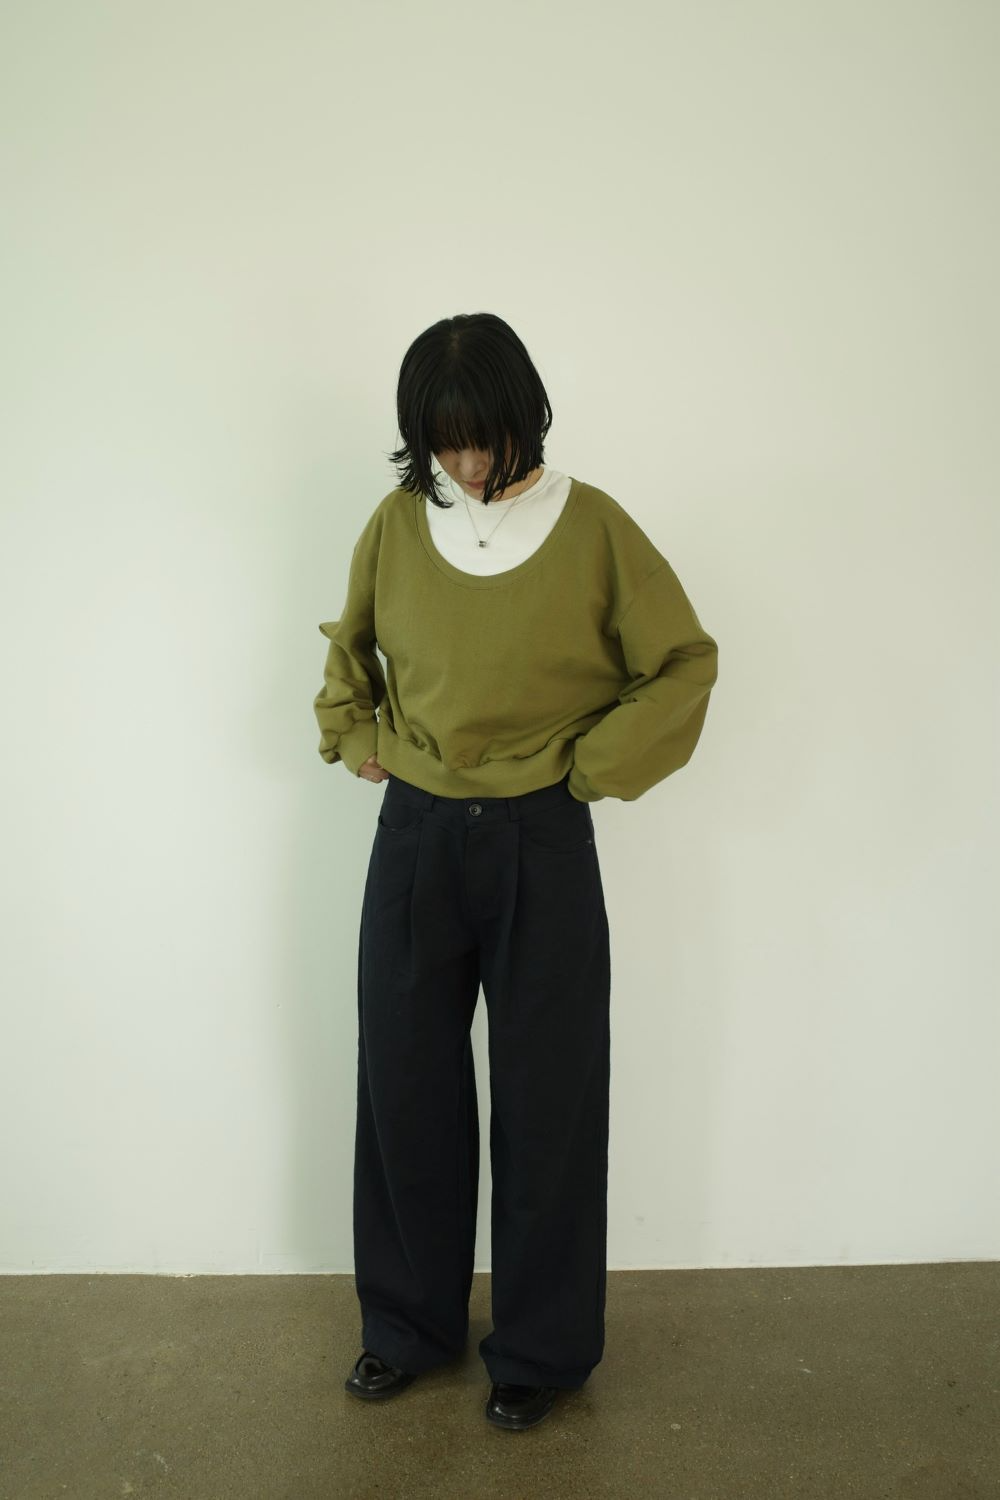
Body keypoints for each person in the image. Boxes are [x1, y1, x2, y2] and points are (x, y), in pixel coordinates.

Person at [313, 312, 719, 1431]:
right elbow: (349, 651)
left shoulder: (594, 527)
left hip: (541, 837)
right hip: (415, 835)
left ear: (520, 416)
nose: (463, 462)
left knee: (550, 1100)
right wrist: (355, 733)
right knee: (405, 1087)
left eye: (479, 437)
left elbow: (682, 663)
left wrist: (589, 770)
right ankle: (407, 1326)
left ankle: (539, 1349)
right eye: (440, 442)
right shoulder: (398, 524)